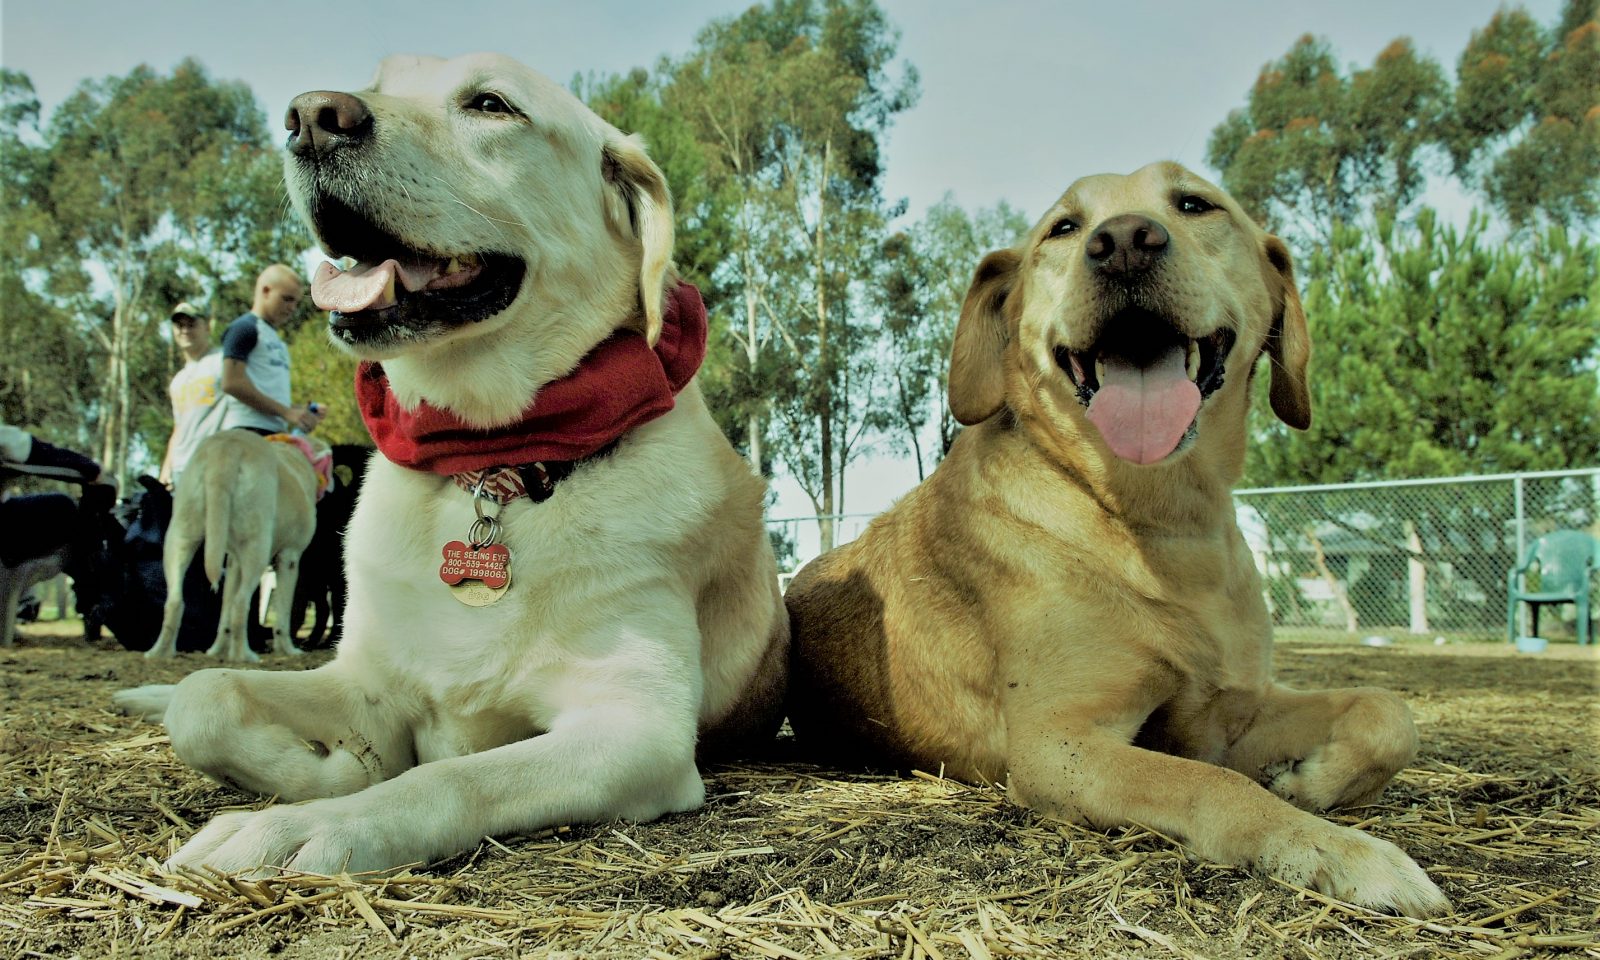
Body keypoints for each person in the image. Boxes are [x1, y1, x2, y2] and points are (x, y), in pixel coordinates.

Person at [217, 264, 324, 436]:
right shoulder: (245, 328)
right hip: (246, 431)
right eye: (287, 299)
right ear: (266, 291)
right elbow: (231, 383)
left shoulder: (275, 339)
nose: (292, 308)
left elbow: (271, 397)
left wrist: (301, 411)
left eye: (296, 302)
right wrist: (287, 413)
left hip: (273, 432)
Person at [159, 301, 226, 488]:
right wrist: (166, 470)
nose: (185, 330)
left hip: (215, 462)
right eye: (179, 325)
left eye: (191, 324)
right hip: (181, 469)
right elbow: (179, 428)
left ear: (207, 327)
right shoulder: (178, 381)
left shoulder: (222, 362)